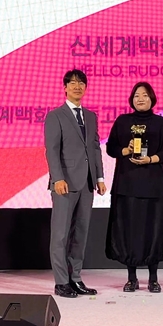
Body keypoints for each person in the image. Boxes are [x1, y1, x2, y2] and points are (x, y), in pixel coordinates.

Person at [105, 82, 163, 293]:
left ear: (152, 98)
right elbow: (110, 148)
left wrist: (150, 159)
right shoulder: (122, 121)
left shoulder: (161, 123)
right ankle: (131, 278)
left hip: (153, 187)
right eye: (136, 95)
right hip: (126, 185)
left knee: (154, 232)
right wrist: (126, 151)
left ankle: (153, 278)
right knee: (130, 232)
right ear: (131, 99)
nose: (140, 99)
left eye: (144, 95)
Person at [44, 69, 107, 298]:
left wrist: (99, 177)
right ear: (65, 88)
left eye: (81, 83)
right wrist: (58, 177)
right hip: (64, 182)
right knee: (60, 235)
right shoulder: (55, 116)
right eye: (73, 83)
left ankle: (76, 278)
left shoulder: (90, 116)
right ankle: (61, 282)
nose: (77, 87)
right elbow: (52, 150)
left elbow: (95, 148)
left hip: (87, 183)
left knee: (80, 233)